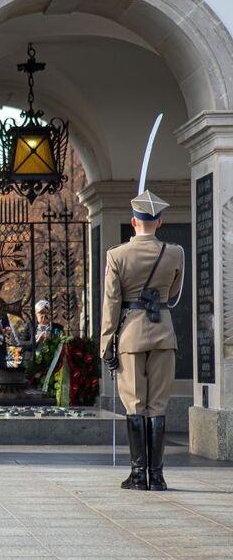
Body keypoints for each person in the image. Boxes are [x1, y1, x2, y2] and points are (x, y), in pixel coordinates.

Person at [101, 189, 184, 492]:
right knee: (157, 406)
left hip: (131, 336)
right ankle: (158, 475)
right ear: (159, 222)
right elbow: (173, 293)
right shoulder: (175, 253)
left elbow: (111, 302)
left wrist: (106, 342)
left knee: (135, 405)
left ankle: (138, 475)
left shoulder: (117, 256)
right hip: (163, 333)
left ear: (133, 221)